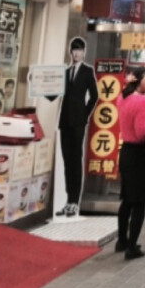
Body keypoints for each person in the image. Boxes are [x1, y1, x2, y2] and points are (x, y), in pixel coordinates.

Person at [115, 66, 145, 260]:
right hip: (139, 154)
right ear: (139, 79)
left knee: (126, 200)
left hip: (125, 152)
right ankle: (132, 247)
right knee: (139, 203)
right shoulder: (142, 102)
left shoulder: (122, 98)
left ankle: (122, 240)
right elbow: (142, 131)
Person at [56, 36, 98, 217]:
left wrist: (85, 114)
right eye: (74, 50)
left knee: (76, 159)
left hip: (78, 122)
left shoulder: (88, 71)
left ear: (84, 52)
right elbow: (55, 93)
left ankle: (75, 201)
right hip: (64, 120)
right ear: (70, 52)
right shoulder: (65, 72)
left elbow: (95, 95)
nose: (76, 53)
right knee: (67, 160)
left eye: (80, 50)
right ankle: (68, 200)